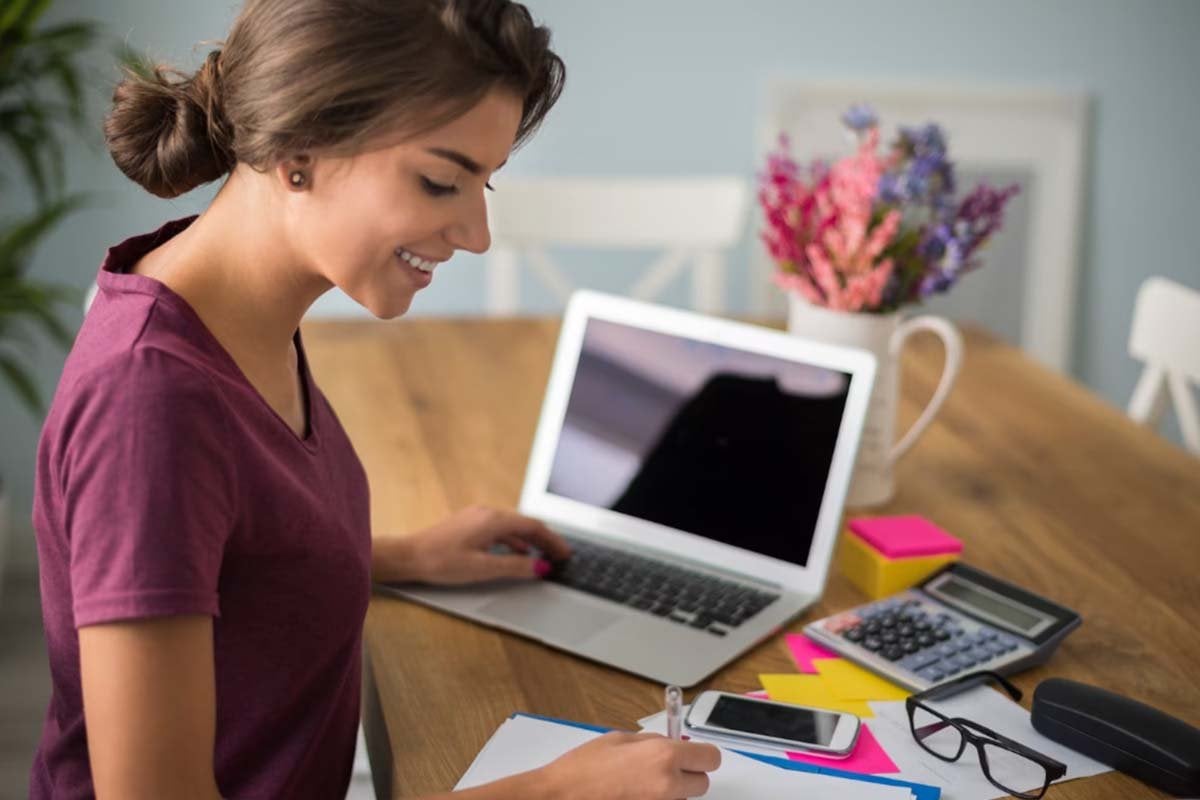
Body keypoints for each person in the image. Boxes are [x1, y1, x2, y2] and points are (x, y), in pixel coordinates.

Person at [29, 1, 721, 797]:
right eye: (441, 181)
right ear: (300, 153)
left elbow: (222, 550)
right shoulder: (151, 404)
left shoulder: (232, 315)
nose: (478, 233)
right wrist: (556, 791)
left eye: (485, 182)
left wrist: (394, 557)